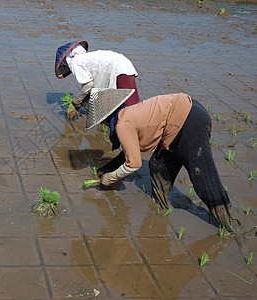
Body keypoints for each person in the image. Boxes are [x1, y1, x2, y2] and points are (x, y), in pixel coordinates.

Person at [87, 88, 256, 235]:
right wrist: (108, 168)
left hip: (189, 121)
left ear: (105, 119)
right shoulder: (128, 112)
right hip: (187, 115)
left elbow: (134, 163)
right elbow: (129, 151)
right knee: (158, 165)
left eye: (102, 123)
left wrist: (110, 178)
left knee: (203, 179)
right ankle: (160, 208)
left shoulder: (122, 124)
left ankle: (232, 224)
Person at [55, 40, 140, 120]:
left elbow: (88, 84)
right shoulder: (85, 58)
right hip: (125, 65)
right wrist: (85, 97)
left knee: (130, 108)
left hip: (118, 70)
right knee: (132, 103)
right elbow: (91, 81)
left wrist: (75, 102)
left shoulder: (74, 62)